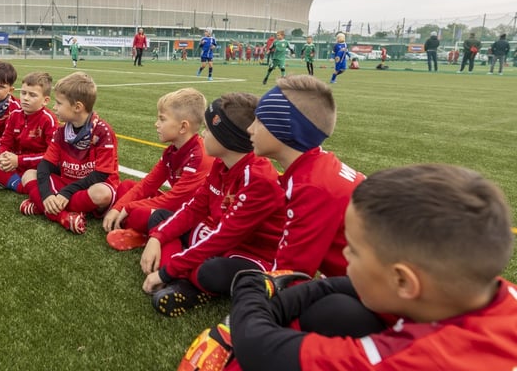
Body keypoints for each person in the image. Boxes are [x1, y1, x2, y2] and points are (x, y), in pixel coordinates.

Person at [190, 163, 517, 371]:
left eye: (355, 250)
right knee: (336, 309)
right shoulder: (473, 290)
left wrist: (249, 289)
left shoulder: (419, 358)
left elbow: (260, 349)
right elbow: (337, 286)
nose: (345, 253)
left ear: (403, 280)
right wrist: (275, 299)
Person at [194, 74, 365, 296]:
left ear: (283, 128)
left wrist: (235, 327)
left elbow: (289, 277)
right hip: (372, 286)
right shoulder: (315, 170)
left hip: (385, 300)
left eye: (260, 120)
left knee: (322, 310)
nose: (250, 129)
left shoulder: (312, 187)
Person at [142, 93, 286, 317]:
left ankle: (187, 281)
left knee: (211, 272)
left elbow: (225, 236)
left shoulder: (258, 179)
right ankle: (183, 276)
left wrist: (166, 272)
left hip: (250, 255)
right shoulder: (220, 164)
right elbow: (194, 208)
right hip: (218, 237)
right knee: (160, 218)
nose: (202, 134)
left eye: (208, 130)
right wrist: (156, 237)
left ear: (226, 139)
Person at [102, 88, 214, 250]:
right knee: (126, 186)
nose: (156, 124)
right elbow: (148, 184)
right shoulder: (172, 150)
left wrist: (128, 207)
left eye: (162, 119)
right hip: (176, 206)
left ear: (183, 127)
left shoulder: (199, 156)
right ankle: (142, 232)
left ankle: (148, 234)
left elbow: (176, 200)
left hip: (193, 217)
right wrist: (118, 207)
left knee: (137, 213)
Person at [19, 72, 119, 234]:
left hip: (90, 186)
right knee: (29, 174)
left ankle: (41, 206)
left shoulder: (102, 132)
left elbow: (101, 174)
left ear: (77, 107)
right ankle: (62, 215)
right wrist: (46, 196)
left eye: (59, 103)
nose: (54, 107)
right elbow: (45, 165)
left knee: (102, 194)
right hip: (68, 181)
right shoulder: (61, 132)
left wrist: (66, 192)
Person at [0, 72, 57, 193]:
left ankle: (18, 185)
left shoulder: (48, 120)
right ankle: (14, 180)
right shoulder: (15, 115)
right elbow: (4, 142)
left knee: (35, 172)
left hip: (35, 165)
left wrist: (19, 160)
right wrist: (2, 156)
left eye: (32, 95)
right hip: (15, 159)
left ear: (45, 100)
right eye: (23, 93)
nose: (26, 98)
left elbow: (51, 156)